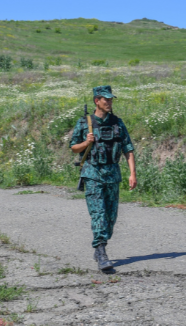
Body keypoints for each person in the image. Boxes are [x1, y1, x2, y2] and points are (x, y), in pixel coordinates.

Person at [70, 85, 137, 272]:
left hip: (113, 174)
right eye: (105, 99)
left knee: (110, 216)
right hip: (93, 173)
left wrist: (133, 173)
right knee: (98, 213)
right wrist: (86, 142)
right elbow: (73, 147)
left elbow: (128, 149)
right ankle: (100, 251)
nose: (109, 102)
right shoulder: (84, 123)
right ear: (96, 101)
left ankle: (101, 244)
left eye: (110, 99)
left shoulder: (117, 123)